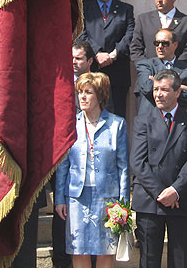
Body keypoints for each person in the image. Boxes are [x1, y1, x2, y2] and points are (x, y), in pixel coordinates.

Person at [130, 69, 187, 268]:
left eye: (164, 90)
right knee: (149, 259)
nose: (158, 94)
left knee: (180, 259)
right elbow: (138, 162)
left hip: (180, 200)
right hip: (149, 200)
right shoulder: (142, 120)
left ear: (177, 92)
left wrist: (175, 191)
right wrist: (160, 193)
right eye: (155, 89)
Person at [55, 72, 129, 268]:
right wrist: (59, 199)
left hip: (107, 197)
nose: (83, 97)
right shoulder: (70, 124)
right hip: (77, 197)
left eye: (88, 92)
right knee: (78, 250)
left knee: (106, 250)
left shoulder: (117, 124)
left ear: (100, 95)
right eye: (80, 92)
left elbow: (123, 167)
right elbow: (63, 165)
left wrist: (124, 203)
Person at [77, 0, 135, 118]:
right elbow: (81, 33)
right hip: (93, 69)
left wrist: (113, 55)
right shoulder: (85, 8)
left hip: (117, 73)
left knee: (118, 116)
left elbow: (130, 35)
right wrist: (97, 53)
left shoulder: (125, 9)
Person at [130, 0, 187, 64]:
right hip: (150, 74)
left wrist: (172, 70)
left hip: (177, 74)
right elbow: (135, 49)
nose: (159, 0)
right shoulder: (143, 20)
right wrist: (148, 69)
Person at [136, 28, 187, 114]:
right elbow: (147, 88)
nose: (160, 47)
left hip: (178, 120)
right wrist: (178, 87)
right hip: (151, 118)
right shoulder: (145, 65)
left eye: (165, 43)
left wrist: (156, 83)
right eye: (157, 43)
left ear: (175, 45)